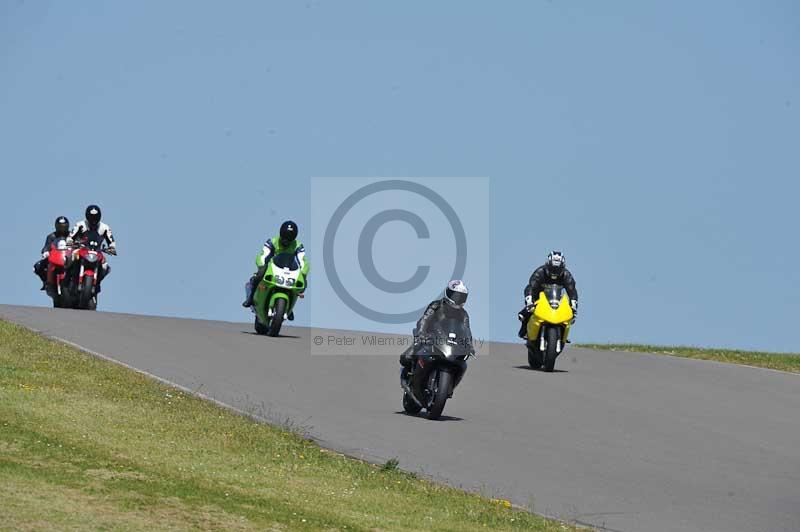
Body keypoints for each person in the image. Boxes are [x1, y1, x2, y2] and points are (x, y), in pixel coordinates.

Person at [399, 280, 473, 379]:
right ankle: (408, 374)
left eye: (461, 297)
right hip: (430, 338)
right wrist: (421, 333)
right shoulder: (436, 305)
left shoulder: (463, 314)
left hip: (449, 343)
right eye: (456, 296)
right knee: (407, 357)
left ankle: (448, 386)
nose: (458, 299)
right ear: (448, 293)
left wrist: (469, 345)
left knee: (462, 363)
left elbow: (466, 330)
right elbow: (425, 319)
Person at [241, 220, 309, 316]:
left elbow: (302, 260)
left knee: (302, 282)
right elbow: (263, 254)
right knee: (260, 274)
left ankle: (289, 306)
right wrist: (262, 264)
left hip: (288, 271)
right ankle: (250, 298)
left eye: (289, 238)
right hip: (272, 269)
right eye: (284, 237)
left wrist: (303, 271)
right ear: (280, 234)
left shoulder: (298, 246)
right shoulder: (272, 242)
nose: (286, 240)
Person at [517, 251, 578, 338]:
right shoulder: (540, 272)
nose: (555, 272)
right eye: (553, 269)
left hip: (557, 298)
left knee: (571, 314)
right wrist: (529, 301)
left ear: (563, 267)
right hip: (538, 297)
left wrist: (573, 306)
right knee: (525, 314)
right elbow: (530, 286)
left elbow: (572, 291)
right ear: (547, 265)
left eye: (558, 269)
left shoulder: (567, 275)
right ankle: (525, 329)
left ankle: (563, 334)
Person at [70, 205, 116, 292]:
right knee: (71, 257)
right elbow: (71, 236)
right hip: (81, 248)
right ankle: (68, 279)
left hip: (97, 251)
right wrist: (70, 241)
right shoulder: (80, 225)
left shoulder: (105, 227)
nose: (93, 219)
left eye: (95, 217)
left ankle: (97, 283)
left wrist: (112, 247)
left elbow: (111, 241)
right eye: (91, 217)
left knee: (105, 266)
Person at [33, 216, 70, 290]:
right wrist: (45, 252)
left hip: (68, 257)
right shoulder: (51, 236)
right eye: (60, 227)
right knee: (37, 266)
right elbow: (46, 246)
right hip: (55, 257)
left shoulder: (71, 235)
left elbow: (79, 243)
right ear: (56, 226)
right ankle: (46, 282)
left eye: (64, 227)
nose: (62, 228)